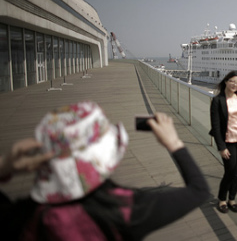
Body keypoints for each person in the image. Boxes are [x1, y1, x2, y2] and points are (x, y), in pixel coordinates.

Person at [0, 101, 210, 240]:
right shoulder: (125, 209)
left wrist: (5, 167)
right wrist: (173, 142)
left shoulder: (23, 217)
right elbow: (199, 191)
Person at [209, 70, 237, 214]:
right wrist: (221, 147)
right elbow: (215, 126)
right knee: (230, 171)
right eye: (232, 81)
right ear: (226, 81)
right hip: (228, 140)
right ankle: (222, 199)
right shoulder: (218, 100)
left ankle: (232, 199)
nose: (235, 84)